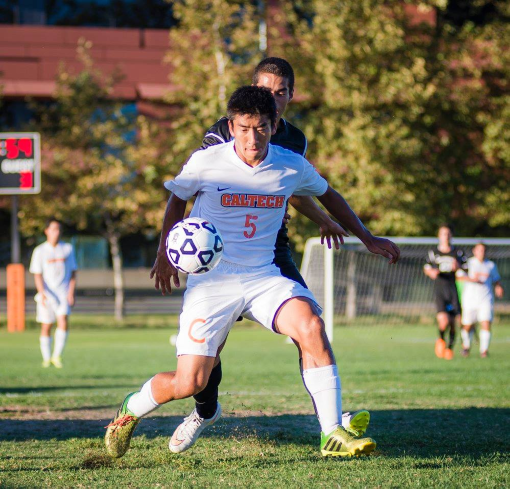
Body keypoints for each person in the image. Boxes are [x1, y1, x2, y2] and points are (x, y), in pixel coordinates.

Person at [105, 86, 400, 459]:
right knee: (190, 381)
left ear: (274, 126)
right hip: (212, 283)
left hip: (264, 277)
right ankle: (130, 409)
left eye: (260, 128)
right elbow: (177, 198)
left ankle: (332, 434)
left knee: (311, 326)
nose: (252, 137)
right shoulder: (206, 161)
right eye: (244, 128)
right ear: (231, 127)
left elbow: (328, 194)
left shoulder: (290, 164)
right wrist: (165, 252)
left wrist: (367, 237)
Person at [29, 218, 77, 368]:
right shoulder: (40, 251)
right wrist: (42, 292)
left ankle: (57, 356)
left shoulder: (67, 249)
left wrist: (71, 293)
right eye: (53, 229)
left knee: (63, 321)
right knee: (47, 325)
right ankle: (46, 358)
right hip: (47, 294)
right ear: (47, 231)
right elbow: (37, 274)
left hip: (62, 293)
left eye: (58, 229)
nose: (57, 232)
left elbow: (73, 272)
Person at [423, 225, 467, 360]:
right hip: (440, 290)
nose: (445, 236)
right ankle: (441, 340)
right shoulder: (433, 252)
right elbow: (426, 268)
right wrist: (431, 272)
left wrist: (458, 267)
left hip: (452, 289)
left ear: (451, 236)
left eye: (448, 234)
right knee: (443, 321)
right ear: (439, 236)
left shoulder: (458, 253)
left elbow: (465, 269)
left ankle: (449, 349)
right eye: (443, 234)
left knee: (454, 322)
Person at [460, 243, 504, 358]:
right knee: (468, 325)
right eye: (479, 250)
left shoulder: (490, 265)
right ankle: (466, 346)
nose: (482, 252)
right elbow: (459, 276)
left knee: (486, 323)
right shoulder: (468, 263)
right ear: (474, 251)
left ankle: (484, 351)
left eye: (483, 250)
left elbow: (496, 279)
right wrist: (471, 279)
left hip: (485, 299)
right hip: (470, 299)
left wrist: (499, 287)